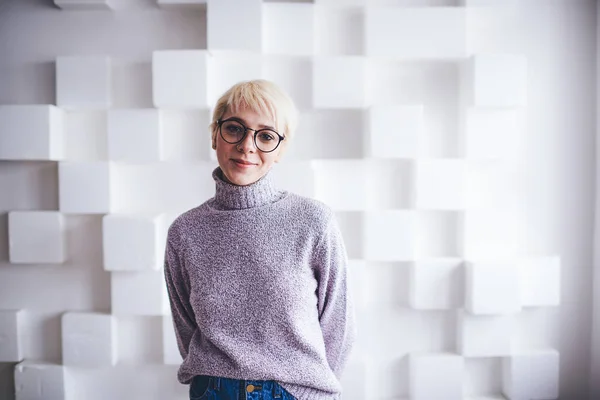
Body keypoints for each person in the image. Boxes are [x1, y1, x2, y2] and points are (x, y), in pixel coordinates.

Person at [163, 79, 357, 400]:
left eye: (266, 136)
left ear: (280, 149)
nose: (247, 146)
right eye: (235, 129)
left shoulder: (313, 221)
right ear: (215, 134)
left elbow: (338, 325)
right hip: (214, 391)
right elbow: (186, 328)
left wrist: (308, 392)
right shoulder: (185, 232)